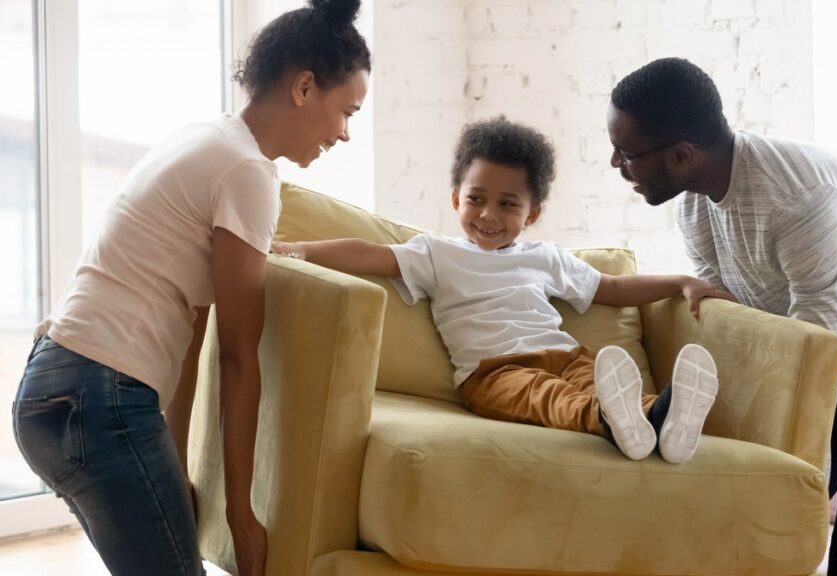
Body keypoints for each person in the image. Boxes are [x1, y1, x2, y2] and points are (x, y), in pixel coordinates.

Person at [11, 1, 370, 575]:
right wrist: (241, 516)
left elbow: (191, 330)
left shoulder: (206, 138)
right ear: (304, 87)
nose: (347, 134)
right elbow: (237, 356)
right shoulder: (247, 172)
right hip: (102, 399)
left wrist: (175, 468)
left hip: (48, 391)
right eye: (346, 111)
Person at [606, 57, 837, 575]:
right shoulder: (693, 205)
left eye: (625, 154)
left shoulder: (798, 200)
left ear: (682, 154)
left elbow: (815, 344)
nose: (615, 165)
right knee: (759, 518)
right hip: (834, 346)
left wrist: (789, 451)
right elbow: (738, 321)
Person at [272, 116, 732, 463]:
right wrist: (300, 251)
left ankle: (663, 418)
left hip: (566, 355)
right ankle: (613, 421)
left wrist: (680, 280)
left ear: (531, 214)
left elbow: (610, 287)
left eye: (508, 204)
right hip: (492, 373)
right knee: (547, 397)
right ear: (456, 199)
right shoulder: (436, 254)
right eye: (476, 199)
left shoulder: (545, 258)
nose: (488, 214)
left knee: (590, 378)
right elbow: (369, 254)